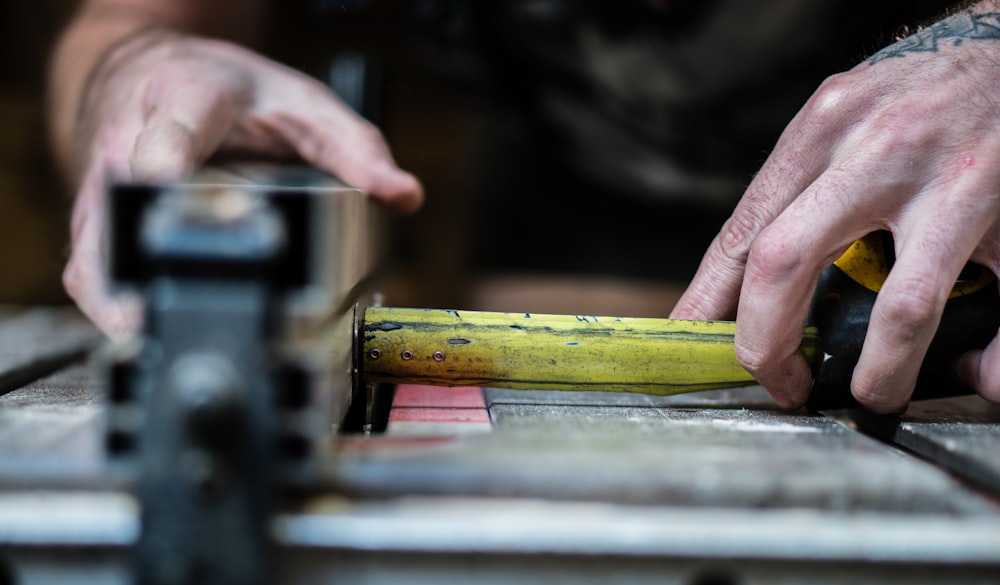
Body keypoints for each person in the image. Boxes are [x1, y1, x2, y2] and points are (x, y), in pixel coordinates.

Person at [49, 0, 1000, 414]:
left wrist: (986, 55)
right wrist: (126, 73)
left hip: (947, 269)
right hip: (544, 255)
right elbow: (129, 24)